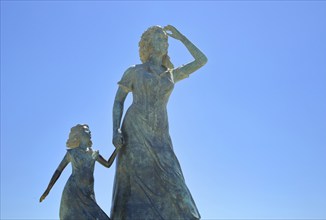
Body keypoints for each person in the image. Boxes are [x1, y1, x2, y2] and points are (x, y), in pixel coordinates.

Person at [111, 25, 207, 219]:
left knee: (176, 184)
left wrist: (182, 37)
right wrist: (115, 130)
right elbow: (118, 100)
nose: (164, 43)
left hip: (160, 134)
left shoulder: (171, 74)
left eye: (166, 40)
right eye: (159, 39)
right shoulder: (134, 71)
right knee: (136, 184)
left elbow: (201, 60)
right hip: (135, 130)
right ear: (148, 44)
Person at [40, 124, 119, 220]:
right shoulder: (72, 153)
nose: (90, 132)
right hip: (73, 192)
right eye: (87, 131)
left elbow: (107, 164)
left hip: (87, 193)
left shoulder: (93, 153)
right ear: (80, 135)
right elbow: (59, 170)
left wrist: (117, 149)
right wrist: (48, 190)